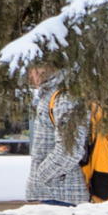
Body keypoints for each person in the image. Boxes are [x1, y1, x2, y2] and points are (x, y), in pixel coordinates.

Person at [23, 73, 87, 206]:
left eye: (34, 67)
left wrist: (41, 177)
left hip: (62, 195)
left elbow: (70, 150)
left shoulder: (64, 96)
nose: (31, 74)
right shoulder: (53, 92)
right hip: (57, 191)